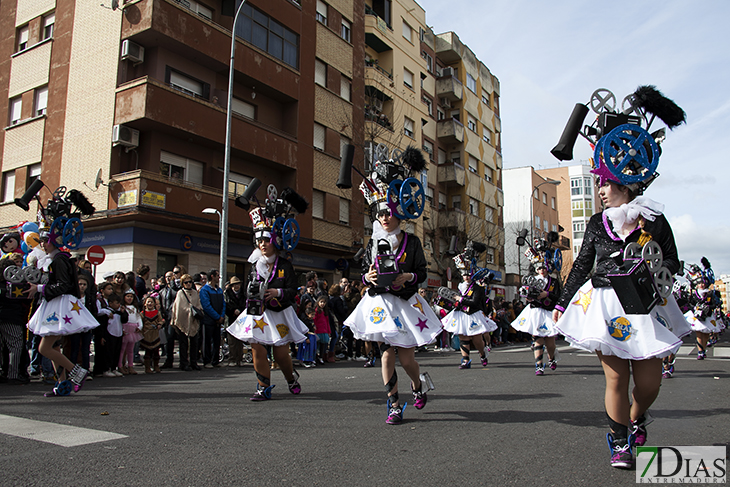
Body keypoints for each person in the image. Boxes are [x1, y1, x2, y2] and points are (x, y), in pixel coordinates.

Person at [552, 88, 690, 469]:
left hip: (646, 307)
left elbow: (674, 264)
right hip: (606, 305)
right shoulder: (597, 223)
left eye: (604, 183)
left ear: (625, 184)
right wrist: (562, 303)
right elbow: (581, 265)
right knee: (615, 380)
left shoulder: (655, 220)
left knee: (648, 384)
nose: (599, 190)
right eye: (598, 183)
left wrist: (651, 259)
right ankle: (618, 441)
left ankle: (637, 415)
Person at [344, 147, 440, 425]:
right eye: (380, 213)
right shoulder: (372, 243)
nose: (385, 218)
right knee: (386, 354)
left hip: (406, 304)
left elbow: (421, 273)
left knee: (407, 360)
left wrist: (407, 277)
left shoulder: (412, 242)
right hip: (380, 304)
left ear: (400, 213)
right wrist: (368, 279)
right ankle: (394, 404)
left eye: (390, 212)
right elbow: (363, 274)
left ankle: (418, 385)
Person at [227, 190, 309, 400]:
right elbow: (249, 286)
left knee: (281, 355)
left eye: (266, 240)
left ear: (276, 240)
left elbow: (292, 291)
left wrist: (277, 292)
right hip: (258, 313)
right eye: (259, 240)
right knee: (257, 350)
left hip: (280, 312)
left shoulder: (285, 265)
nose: (262, 244)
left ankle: (291, 379)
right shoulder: (254, 264)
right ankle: (263, 387)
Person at [26, 227, 100, 396]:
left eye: (45, 241)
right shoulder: (57, 258)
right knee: (54, 346)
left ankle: (77, 371)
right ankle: (62, 384)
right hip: (55, 303)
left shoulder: (59, 259)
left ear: (54, 241)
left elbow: (64, 285)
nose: (43, 244)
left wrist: (38, 288)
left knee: (44, 348)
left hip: (59, 305)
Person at [441, 242, 496, 369]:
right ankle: (465, 360)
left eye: (469, 274)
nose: (466, 276)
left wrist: (460, 299)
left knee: (476, 339)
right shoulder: (459, 286)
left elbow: (475, 303)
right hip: (461, 314)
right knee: (463, 337)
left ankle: (482, 355)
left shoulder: (478, 288)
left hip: (473, 314)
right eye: (464, 274)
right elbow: (455, 300)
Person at [512, 257, 562, 376]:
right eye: (539, 268)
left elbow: (559, 297)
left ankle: (552, 358)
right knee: (537, 340)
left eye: (544, 267)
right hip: (535, 311)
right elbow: (525, 293)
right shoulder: (531, 279)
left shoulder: (554, 282)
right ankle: (539, 366)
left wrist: (547, 294)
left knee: (550, 343)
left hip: (549, 312)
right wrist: (528, 297)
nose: (542, 270)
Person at [171, 274, 202, 371]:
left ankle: (193, 362)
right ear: (182, 284)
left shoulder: (195, 293)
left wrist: (197, 310)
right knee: (183, 343)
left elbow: (198, 304)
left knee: (194, 343)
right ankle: (183, 363)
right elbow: (179, 307)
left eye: (190, 282)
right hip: (183, 320)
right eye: (186, 282)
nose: (188, 284)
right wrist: (188, 310)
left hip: (193, 320)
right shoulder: (180, 293)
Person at [199, 268, 225, 368]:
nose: (219, 277)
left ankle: (215, 360)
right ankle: (207, 360)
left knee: (217, 341)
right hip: (209, 320)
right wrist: (217, 316)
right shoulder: (205, 290)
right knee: (207, 341)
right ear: (212, 276)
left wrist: (222, 316)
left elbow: (223, 303)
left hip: (218, 320)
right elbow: (206, 306)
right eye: (217, 275)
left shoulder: (219, 290)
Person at [119, 289, 143, 375]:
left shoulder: (135, 308)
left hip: (133, 329)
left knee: (130, 349)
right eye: (128, 296)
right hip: (126, 328)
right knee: (122, 349)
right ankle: (120, 365)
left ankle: (130, 366)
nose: (129, 298)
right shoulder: (122, 307)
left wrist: (140, 326)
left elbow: (138, 318)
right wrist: (122, 329)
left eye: (131, 296)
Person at [224, 276, 246, 367]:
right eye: (234, 285)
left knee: (240, 341)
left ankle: (239, 359)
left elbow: (246, 304)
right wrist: (233, 311)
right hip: (231, 319)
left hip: (241, 319)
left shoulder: (243, 294)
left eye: (238, 284)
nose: (236, 286)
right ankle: (232, 359)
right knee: (232, 341)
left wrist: (240, 310)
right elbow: (226, 305)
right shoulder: (227, 294)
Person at [159, 270, 179, 369]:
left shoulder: (176, 290)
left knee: (176, 338)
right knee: (168, 339)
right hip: (166, 317)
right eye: (166, 277)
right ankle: (168, 359)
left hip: (175, 316)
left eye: (170, 276)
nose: (168, 278)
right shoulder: (162, 290)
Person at [141, 295, 164, 373]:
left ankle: (156, 366)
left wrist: (160, 324)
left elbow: (161, 320)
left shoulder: (157, 313)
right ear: (144, 304)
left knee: (156, 352)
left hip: (155, 334)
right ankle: (147, 367)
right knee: (147, 353)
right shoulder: (142, 314)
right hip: (146, 334)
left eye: (151, 302)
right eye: (148, 302)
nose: (149, 304)